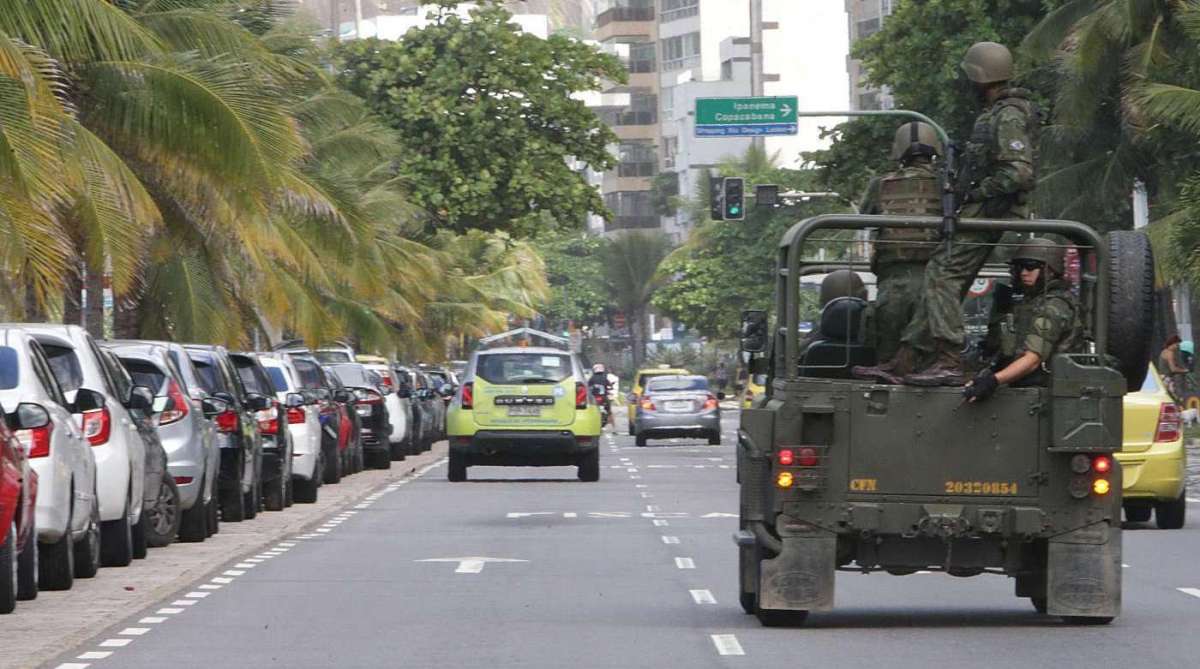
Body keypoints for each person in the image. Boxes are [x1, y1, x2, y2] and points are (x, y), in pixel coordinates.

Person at [855, 42, 1038, 386]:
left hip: (989, 211)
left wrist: (975, 193)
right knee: (937, 278)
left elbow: (1019, 172)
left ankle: (951, 359)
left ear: (981, 77)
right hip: (984, 210)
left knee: (940, 276)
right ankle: (906, 359)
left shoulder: (1009, 114)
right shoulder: (998, 112)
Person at [857, 121, 944, 362]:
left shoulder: (881, 184)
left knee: (887, 356)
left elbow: (864, 218)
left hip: (892, 280)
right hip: (937, 280)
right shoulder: (947, 185)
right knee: (930, 357)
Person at [962, 238, 1080, 402]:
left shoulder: (1054, 306)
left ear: (1050, 270)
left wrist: (993, 381)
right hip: (1026, 386)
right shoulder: (1030, 301)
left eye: (1030, 266)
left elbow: (1032, 359)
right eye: (1020, 267)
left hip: (1046, 393)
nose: (1024, 272)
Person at [1159, 335, 1188, 399]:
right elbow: (1173, 369)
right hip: (1167, 379)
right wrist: (1184, 370)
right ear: (1172, 343)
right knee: (1175, 398)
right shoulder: (1170, 353)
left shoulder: (1164, 351)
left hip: (1161, 378)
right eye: (1177, 345)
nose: (1177, 347)